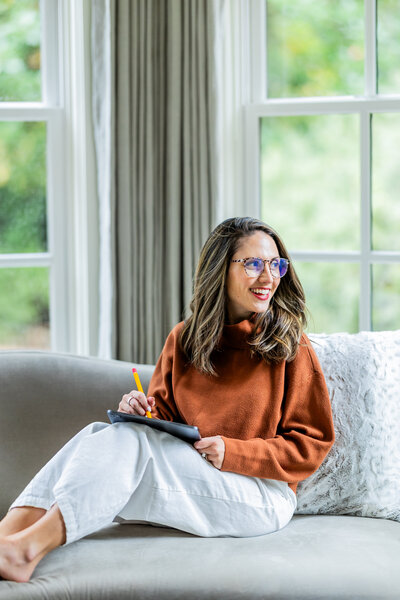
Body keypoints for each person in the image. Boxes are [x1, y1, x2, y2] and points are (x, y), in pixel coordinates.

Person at [0, 217, 335, 582]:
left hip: (262, 496)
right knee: (99, 432)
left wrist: (234, 451)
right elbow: (166, 417)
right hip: (197, 477)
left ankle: (27, 548)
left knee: (123, 442)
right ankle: (7, 535)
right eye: (254, 263)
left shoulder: (290, 345)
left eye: (276, 264)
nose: (268, 277)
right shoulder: (185, 340)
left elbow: (312, 445)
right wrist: (141, 410)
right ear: (220, 270)